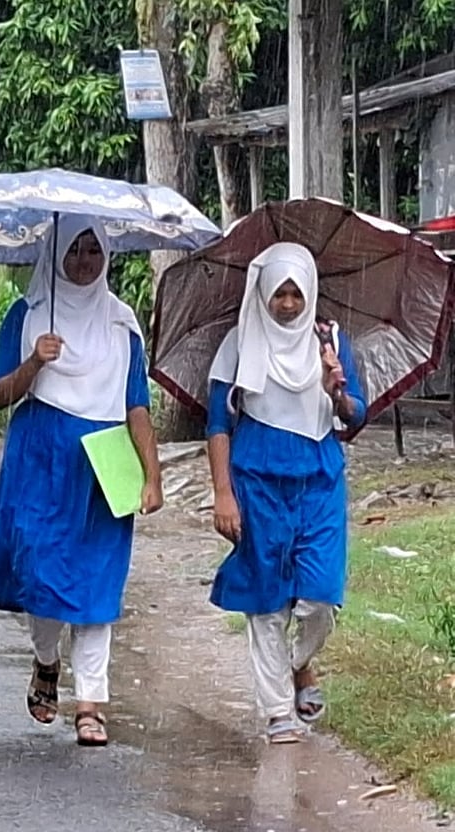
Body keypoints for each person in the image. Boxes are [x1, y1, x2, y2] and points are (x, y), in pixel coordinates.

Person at [0, 215, 163, 747]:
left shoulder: (122, 324)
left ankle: (91, 703)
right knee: (40, 574)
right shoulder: (28, 315)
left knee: (97, 580)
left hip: (105, 460)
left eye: (93, 251)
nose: (84, 262)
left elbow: (137, 405)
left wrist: (152, 475)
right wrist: (35, 361)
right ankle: (45, 660)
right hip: (40, 456)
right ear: (55, 255)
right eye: (74, 250)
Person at [205, 242, 366, 744]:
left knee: (320, 597)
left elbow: (356, 417)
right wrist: (223, 493)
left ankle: (299, 664)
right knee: (266, 599)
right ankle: (278, 710)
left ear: (311, 291)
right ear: (264, 293)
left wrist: (337, 390)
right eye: (280, 293)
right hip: (257, 479)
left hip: (319, 478)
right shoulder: (239, 343)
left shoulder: (331, 341)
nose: (289, 304)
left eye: (298, 293)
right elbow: (216, 424)